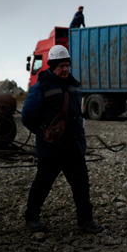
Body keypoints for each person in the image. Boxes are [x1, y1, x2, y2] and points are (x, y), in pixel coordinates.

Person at [21, 45, 104, 233]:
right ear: (52, 66)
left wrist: (81, 144)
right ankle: (31, 218)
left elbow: (78, 117)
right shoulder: (41, 87)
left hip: (72, 147)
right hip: (51, 149)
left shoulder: (74, 85)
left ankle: (85, 221)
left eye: (67, 65)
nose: (65, 69)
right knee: (42, 184)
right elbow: (27, 116)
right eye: (61, 66)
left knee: (81, 184)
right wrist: (43, 133)